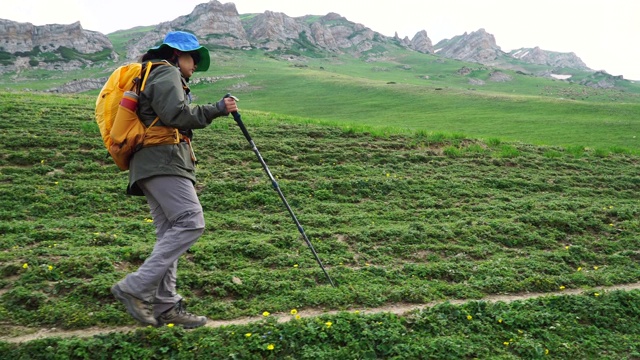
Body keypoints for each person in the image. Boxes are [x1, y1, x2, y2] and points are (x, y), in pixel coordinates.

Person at [110, 31, 237, 329]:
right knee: (192, 222)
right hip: (163, 162)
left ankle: (166, 306)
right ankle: (135, 286)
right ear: (177, 55)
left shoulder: (152, 75)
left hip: (151, 165)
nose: (194, 65)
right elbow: (176, 115)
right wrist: (217, 109)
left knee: (170, 233)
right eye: (193, 58)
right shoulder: (165, 73)